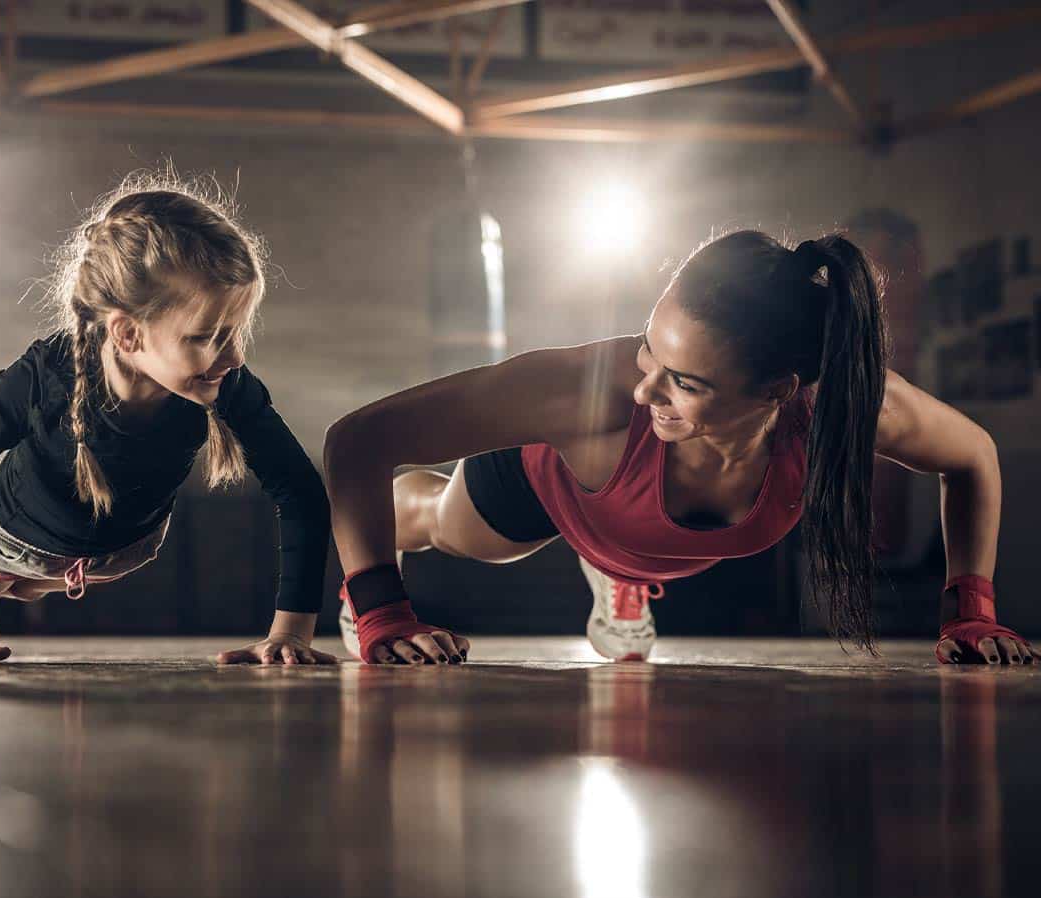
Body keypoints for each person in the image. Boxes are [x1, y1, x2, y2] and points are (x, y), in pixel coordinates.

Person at [323, 230, 1033, 667]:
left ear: (776, 392)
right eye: (646, 352)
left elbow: (973, 457)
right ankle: (427, 515)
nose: (644, 390)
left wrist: (970, 607)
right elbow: (358, 439)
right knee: (456, 531)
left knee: (630, 528)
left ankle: (616, 570)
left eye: (684, 382)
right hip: (544, 481)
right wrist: (381, 604)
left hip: (632, 524)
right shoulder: (586, 394)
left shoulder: (841, 408)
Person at [0, 177, 334, 667]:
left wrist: (292, 632)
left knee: (27, 583)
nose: (234, 355)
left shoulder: (223, 383)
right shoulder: (45, 376)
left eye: (236, 332)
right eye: (207, 336)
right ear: (126, 333)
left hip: (125, 548)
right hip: (5, 534)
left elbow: (301, 490)